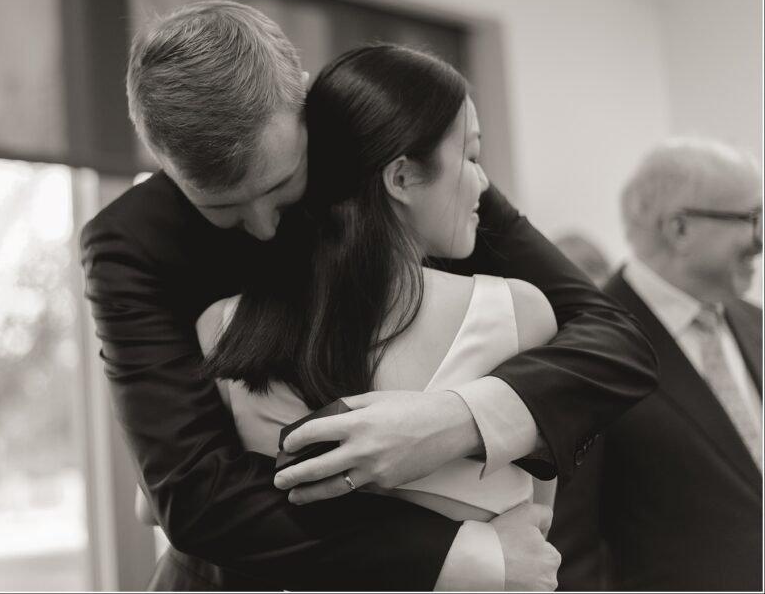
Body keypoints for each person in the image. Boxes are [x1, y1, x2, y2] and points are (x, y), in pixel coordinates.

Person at [81, 0, 657, 590]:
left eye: (281, 186)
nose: (264, 228)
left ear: (304, 102)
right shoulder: (128, 247)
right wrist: (467, 555)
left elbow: (616, 340)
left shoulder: (381, 133)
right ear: (163, 164)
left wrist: (457, 419)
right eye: (221, 207)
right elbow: (194, 500)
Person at [197, 42, 561, 540]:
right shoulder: (518, 314)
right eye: (471, 156)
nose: (482, 184)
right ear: (402, 176)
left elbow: (187, 510)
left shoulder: (225, 327)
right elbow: (538, 531)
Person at [549, 138, 763, 591]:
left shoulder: (754, 322)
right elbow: (571, 548)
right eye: (750, 219)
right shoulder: (584, 345)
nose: (760, 240)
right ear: (680, 229)